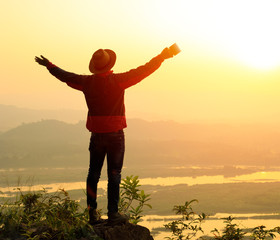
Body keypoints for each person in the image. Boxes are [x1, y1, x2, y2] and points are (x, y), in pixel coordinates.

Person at [35, 46, 177, 225]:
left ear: (95, 66)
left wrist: (49, 65)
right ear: (110, 64)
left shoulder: (86, 82)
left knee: (93, 173)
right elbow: (144, 70)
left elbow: (65, 76)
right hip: (115, 136)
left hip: (96, 136)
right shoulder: (118, 81)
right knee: (114, 174)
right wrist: (163, 56)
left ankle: (92, 214)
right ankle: (113, 214)